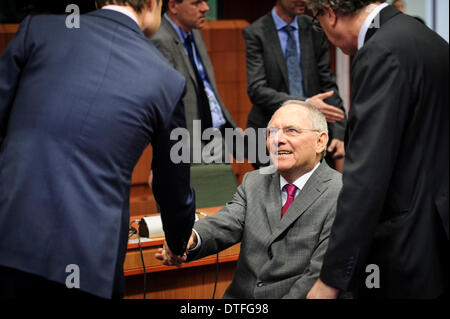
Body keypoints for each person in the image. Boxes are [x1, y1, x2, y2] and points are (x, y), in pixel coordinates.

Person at [0, 0, 196, 299]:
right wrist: (177, 240)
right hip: (88, 263)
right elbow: (173, 182)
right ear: (154, 4)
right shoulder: (166, 80)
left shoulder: (39, 31)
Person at [304, 0, 449, 298]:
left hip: (404, 245)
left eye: (317, 19)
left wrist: (331, 279)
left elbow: (366, 177)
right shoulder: (427, 38)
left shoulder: (379, 51)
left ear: (330, 14)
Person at [156, 100, 343, 299]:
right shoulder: (254, 181)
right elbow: (224, 223)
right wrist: (189, 238)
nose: (277, 140)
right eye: (271, 132)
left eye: (291, 131)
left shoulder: (340, 193)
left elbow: (318, 278)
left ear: (320, 141)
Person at [243, 0, 347, 169]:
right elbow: (257, 89)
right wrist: (304, 103)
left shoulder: (315, 28)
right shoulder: (256, 32)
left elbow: (328, 85)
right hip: (270, 136)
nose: (304, 1)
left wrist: (340, 133)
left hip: (311, 137)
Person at [152, 0, 238, 164]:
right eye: (196, 3)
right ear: (173, 6)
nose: (205, 8)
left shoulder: (194, 32)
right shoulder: (161, 39)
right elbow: (165, 105)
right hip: (189, 144)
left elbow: (205, 87)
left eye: (205, 2)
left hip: (215, 134)